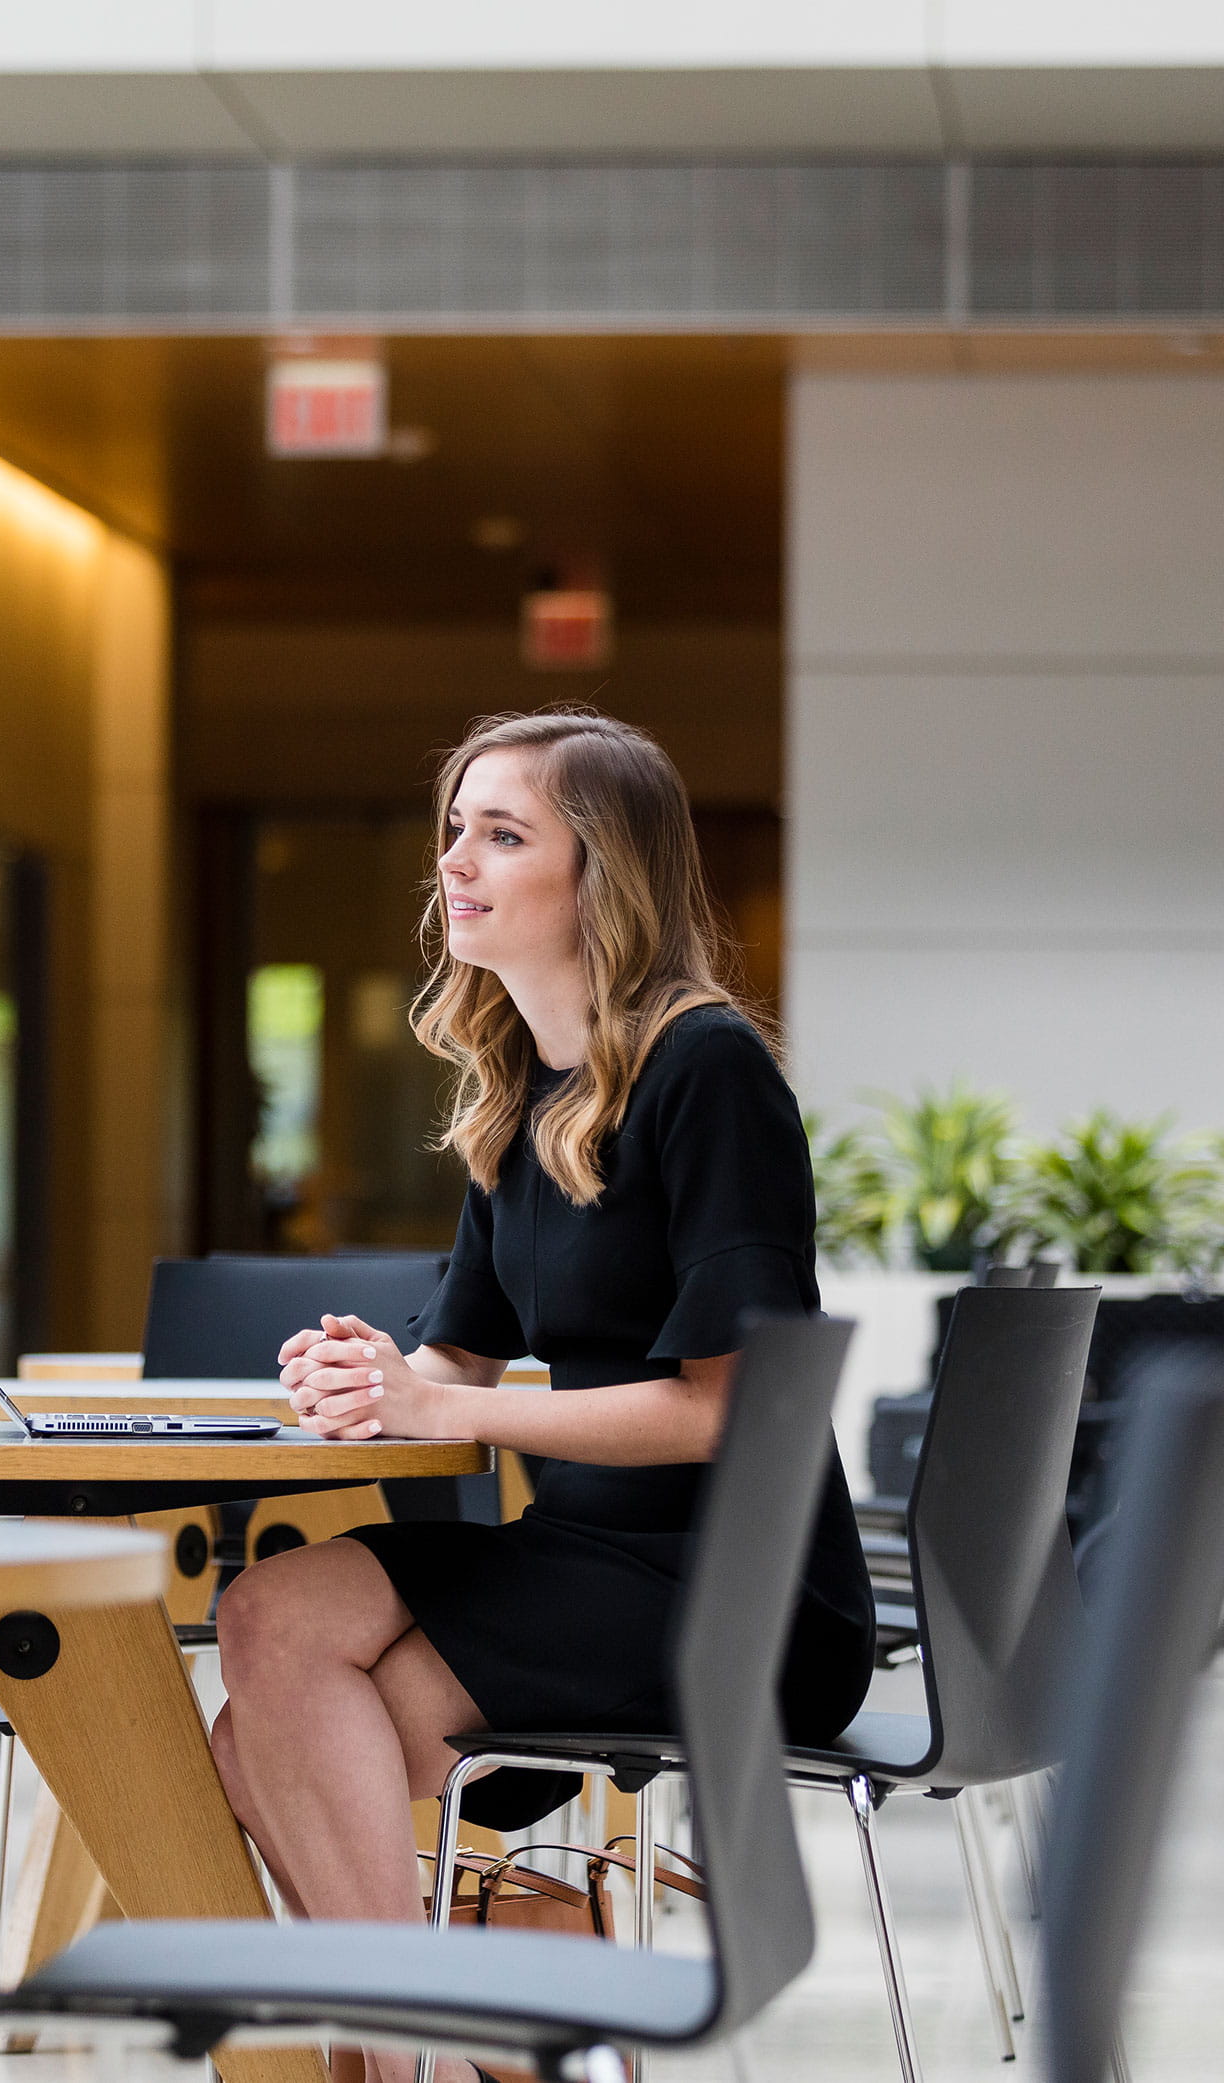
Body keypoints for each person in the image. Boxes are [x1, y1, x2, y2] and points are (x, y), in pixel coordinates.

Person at [211, 710, 876, 2077]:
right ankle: (453, 2043)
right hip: (587, 1554)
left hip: (737, 1588)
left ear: (603, 875)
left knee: (286, 1725)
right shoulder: (522, 1090)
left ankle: (416, 2050)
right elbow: (457, 1349)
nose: (455, 861)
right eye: (455, 828)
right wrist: (365, 1376)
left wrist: (438, 1410)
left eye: (501, 833)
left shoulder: (708, 1069)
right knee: (268, 1637)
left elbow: (727, 1411)